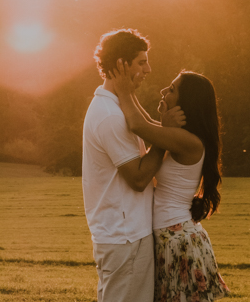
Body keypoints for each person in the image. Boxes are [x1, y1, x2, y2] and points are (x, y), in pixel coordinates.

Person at [114, 68, 231, 301]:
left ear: (186, 101)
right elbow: (147, 123)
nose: (163, 91)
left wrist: (123, 90)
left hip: (177, 241)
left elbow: (138, 125)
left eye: (172, 89)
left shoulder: (188, 141)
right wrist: (156, 117)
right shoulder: (181, 136)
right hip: (173, 236)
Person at [81, 29, 178, 302]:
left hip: (123, 233)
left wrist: (128, 93)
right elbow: (138, 179)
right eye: (141, 62)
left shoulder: (114, 105)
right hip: (125, 236)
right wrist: (165, 139)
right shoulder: (110, 116)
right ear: (121, 65)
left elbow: (144, 124)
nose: (149, 68)